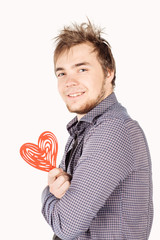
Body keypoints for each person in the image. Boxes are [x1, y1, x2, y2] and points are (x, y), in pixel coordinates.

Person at [41, 20, 153, 240]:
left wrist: (48, 195)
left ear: (108, 72)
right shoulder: (86, 130)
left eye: (82, 69)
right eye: (61, 73)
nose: (69, 82)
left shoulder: (112, 130)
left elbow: (66, 225)